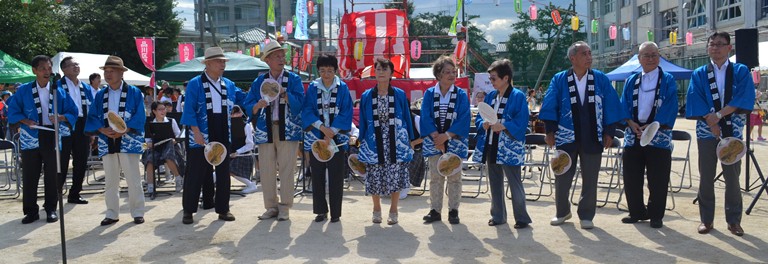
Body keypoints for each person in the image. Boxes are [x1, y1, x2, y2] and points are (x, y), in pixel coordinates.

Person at [539, 41, 623, 229]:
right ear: (573, 58)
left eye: (590, 53)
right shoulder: (559, 79)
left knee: (590, 178)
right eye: (584, 54)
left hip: (593, 135)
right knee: (562, 175)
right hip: (565, 136)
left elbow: (611, 104)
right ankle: (562, 212)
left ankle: (586, 215)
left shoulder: (600, 78)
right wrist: (550, 130)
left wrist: (609, 131)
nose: (589, 57)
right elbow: (550, 103)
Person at [686, 32, 755, 237]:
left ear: (729, 48)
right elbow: (695, 99)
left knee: (732, 178)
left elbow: (744, 96)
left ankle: (734, 220)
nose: (715, 48)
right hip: (707, 131)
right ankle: (706, 220)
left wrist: (718, 115)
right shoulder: (699, 73)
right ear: (707, 48)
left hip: (732, 131)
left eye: (720, 44)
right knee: (706, 176)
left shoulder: (740, 70)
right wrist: (711, 121)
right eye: (712, 44)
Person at [8, 55, 78, 224]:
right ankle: (31, 211)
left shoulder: (58, 90)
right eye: (43, 69)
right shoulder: (24, 90)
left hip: (51, 134)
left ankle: (51, 208)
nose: (47, 72)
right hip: (30, 135)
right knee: (30, 174)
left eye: (49, 68)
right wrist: (25, 121)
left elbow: (73, 111)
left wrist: (61, 117)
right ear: (35, 71)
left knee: (52, 174)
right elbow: (13, 111)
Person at [180, 47, 246, 224]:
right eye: (219, 61)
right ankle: (189, 210)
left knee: (224, 171)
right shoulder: (195, 83)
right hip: (201, 130)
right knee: (195, 171)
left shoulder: (229, 84)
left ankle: (223, 209)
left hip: (223, 128)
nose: (222, 64)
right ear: (208, 64)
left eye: (223, 61)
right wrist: (196, 132)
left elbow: (242, 99)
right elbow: (189, 110)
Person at [619, 42, 678, 229]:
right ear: (639, 59)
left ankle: (656, 215)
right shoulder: (632, 80)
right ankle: (636, 211)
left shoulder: (667, 79)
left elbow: (671, 105)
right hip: (633, 133)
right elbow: (624, 104)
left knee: (658, 177)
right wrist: (630, 122)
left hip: (658, 135)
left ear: (659, 57)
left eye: (654, 55)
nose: (651, 59)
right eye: (646, 55)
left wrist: (653, 126)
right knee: (631, 176)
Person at [244, 41, 305, 222]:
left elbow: (300, 103)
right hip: (265, 129)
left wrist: (286, 95)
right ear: (268, 60)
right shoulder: (259, 81)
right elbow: (248, 104)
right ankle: (271, 207)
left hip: (288, 129)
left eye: (282, 56)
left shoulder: (293, 79)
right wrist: (256, 106)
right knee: (267, 169)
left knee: (287, 169)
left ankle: (285, 207)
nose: (281, 59)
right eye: (276, 56)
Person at [85, 55, 147, 226]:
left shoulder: (134, 92)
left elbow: (140, 116)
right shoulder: (100, 95)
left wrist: (125, 130)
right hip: (107, 139)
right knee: (110, 179)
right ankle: (112, 213)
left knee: (133, 178)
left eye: (112, 71)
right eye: (106, 71)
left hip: (128, 139)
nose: (108, 74)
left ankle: (138, 211)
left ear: (121, 73)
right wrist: (100, 129)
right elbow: (92, 116)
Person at [471, 59, 532, 228]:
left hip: (509, 147)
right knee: (494, 182)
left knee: (515, 183)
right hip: (492, 144)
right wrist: (482, 124)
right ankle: (498, 216)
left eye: (494, 78)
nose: (491, 82)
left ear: (506, 78)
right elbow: (480, 117)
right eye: (490, 78)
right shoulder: (491, 96)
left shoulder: (518, 96)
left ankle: (522, 218)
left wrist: (504, 125)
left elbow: (522, 122)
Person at [357, 58, 415, 225]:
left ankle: (394, 210)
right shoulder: (367, 96)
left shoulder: (399, 94)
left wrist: (410, 139)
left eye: (385, 69)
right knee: (374, 175)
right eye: (378, 69)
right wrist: (361, 139)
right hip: (374, 141)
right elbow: (362, 119)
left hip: (396, 142)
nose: (381, 72)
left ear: (391, 73)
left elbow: (406, 117)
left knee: (395, 174)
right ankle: (376, 209)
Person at [301, 54, 353, 223]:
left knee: (336, 176)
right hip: (317, 137)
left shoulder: (342, 88)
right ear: (318, 71)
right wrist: (322, 128)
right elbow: (307, 110)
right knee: (317, 175)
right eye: (322, 70)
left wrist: (332, 131)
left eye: (330, 70)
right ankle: (320, 211)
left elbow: (346, 111)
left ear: (335, 70)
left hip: (336, 138)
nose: (326, 74)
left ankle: (336, 213)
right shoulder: (313, 88)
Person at [419, 56, 470, 225]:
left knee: (454, 177)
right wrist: (436, 137)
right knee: (435, 176)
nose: (451, 75)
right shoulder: (429, 93)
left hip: (454, 140)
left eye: (453, 71)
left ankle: (453, 210)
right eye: (447, 72)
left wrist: (446, 136)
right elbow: (425, 116)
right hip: (434, 141)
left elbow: (464, 118)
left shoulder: (461, 95)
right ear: (438, 75)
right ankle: (435, 210)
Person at [57, 56, 96, 205]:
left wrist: (91, 131)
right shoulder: (58, 86)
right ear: (64, 69)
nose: (76, 67)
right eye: (73, 65)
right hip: (64, 124)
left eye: (77, 64)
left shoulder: (85, 87)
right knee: (62, 161)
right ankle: (56, 194)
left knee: (81, 161)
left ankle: (75, 193)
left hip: (82, 125)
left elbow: (91, 109)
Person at [141, 102, 185, 194]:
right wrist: (149, 144)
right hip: (156, 148)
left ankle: (178, 179)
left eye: (164, 109)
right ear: (154, 111)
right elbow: (148, 140)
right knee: (149, 161)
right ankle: (150, 186)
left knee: (168, 156)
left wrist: (174, 140)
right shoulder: (150, 124)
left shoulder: (171, 121)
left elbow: (178, 135)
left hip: (171, 147)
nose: (163, 111)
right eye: (160, 109)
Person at [228, 105, 258, 194]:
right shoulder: (228, 126)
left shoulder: (247, 126)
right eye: (233, 113)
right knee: (222, 169)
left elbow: (250, 145)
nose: (235, 115)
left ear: (241, 113)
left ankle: (251, 185)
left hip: (244, 155)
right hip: (230, 155)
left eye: (237, 112)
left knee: (229, 169)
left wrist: (237, 152)